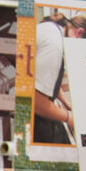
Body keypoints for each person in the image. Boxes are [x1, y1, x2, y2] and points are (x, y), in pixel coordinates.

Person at [32, 11, 76, 145]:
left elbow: (48, 82)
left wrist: (67, 105)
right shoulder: (54, 45)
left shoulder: (51, 31)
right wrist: (69, 117)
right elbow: (38, 103)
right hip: (35, 118)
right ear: (79, 33)